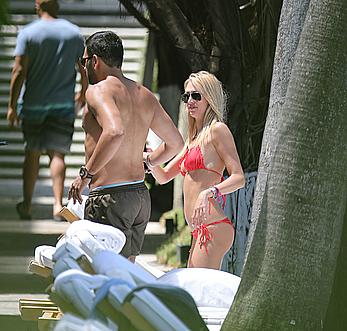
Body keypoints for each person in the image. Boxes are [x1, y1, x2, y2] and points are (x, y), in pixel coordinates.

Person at [68, 31, 183, 262]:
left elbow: (114, 131)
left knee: (102, 274)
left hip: (110, 197)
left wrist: (85, 175)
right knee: (123, 276)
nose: (84, 67)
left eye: (84, 61)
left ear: (95, 60)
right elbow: (176, 143)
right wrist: (148, 162)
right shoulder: (144, 95)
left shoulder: (98, 91)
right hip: (139, 196)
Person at [144, 71, 245, 270]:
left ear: (210, 97)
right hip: (198, 230)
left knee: (198, 291)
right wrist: (148, 158)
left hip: (212, 228)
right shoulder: (193, 140)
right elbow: (163, 176)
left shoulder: (217, 131)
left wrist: (210, 192)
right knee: (199, 291)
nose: (190, 100)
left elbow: (239, 177)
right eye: (186, 96)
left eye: (196, 95)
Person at [7, 0, 87, 220]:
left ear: (37, 6)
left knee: (32, 152)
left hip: (33, 104)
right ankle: (57, 205)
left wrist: (12, 106)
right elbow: (83, 67)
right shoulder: (73, 33)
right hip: (63, 104)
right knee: (57, 154)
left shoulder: (28, 33)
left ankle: (28, 206)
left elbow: (19, 71)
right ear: (57, 6)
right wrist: (83, 92)